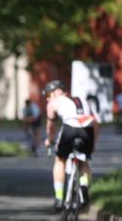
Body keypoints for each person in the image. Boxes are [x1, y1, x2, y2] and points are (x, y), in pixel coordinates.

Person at [43, 80, 100, 211]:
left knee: (60, 160)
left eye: (48, 95)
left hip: (70, 129)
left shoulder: (54, 102)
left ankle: (59, 198)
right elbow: (96, 122)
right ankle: (84, 188)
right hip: (88, 130)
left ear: (54, 93)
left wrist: (50, 140)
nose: (47, 99)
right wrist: (93, 143)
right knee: (84, 161)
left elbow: (50, 127)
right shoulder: (82, 99)